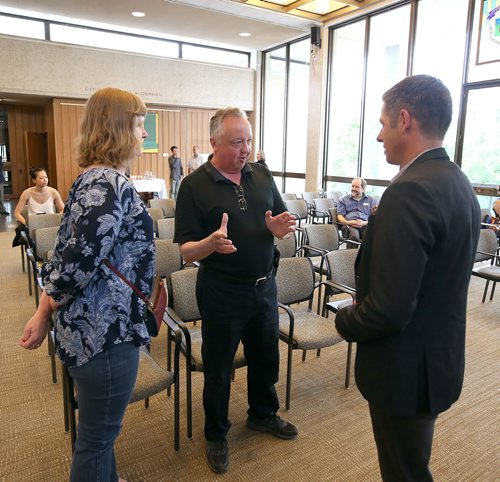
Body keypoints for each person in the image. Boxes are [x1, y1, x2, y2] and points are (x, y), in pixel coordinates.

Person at [335, 75, 480, 481]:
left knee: (404, 471)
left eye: (382, 124)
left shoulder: (410, 191)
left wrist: (345, 320)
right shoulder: (458, 181)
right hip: (436, 361)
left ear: (404, 120)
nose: (379, 136)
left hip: (405, 370)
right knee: (412, 462)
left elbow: (390, 309)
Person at [20, 87, 153, 482]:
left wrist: (45, 309)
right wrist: (43, 310)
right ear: (119, 127)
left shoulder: (93, 179)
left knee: (98, 437)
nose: (144, 134)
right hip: (104, 333)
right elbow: (75, 263)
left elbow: (66, 255)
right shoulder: (108, 183)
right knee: (96, 440)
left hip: (91, 329)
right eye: (140, 124)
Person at [174, 107, 298, 474]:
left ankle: (263, 414)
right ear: (214, 142)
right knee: (218, 368)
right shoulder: (194, 186)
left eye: (249, 140)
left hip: (264, 287)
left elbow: (278, 217)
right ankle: (216, 434)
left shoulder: (260, 173)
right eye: (236, 142)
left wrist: (278, 228)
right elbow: (184, 249)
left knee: (265, 358)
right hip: (222, 292)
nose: (245, 149)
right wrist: (208, 245)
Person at [336, 177, 376, 247]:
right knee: (354, 237)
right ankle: (350, 257)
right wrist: (348, 222)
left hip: (365, 224)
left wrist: (364, 223)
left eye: (357, 187)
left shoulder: (370, 200)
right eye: (352, 186)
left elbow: (374, 216)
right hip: (349, 224)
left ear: (363, 189)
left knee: (371, 236)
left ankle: (366, 257)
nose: (353, 188)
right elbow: (340, 216)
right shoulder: (343, 200)